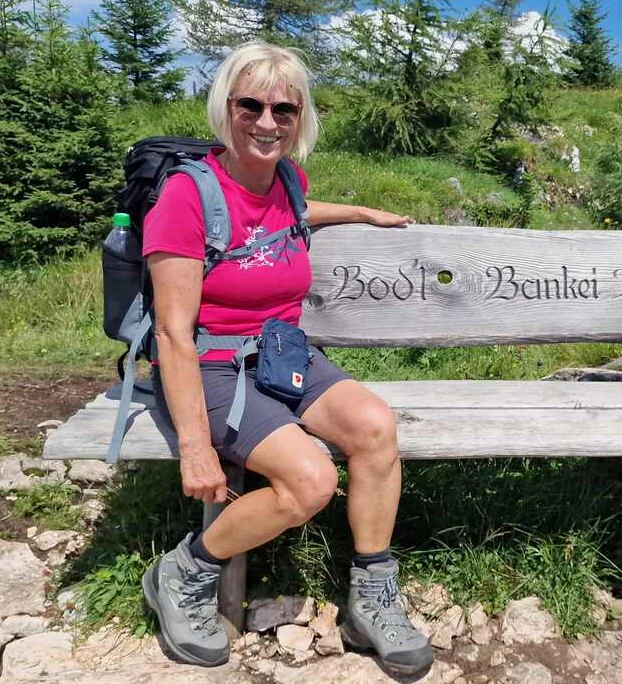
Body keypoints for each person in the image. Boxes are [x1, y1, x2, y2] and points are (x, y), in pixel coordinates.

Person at [140, 41, 433, 676]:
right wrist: (195, 448)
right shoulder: (186, 198)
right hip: (209, 366)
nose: (267, 122)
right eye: (251, 104)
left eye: (284, 108)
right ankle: (184, 571)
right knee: (311, 480)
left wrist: (357, 211)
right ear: (226, 107)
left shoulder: (287, 181)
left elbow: (291, 214)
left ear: (301, 118)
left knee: (376, 427)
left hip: (279, 354)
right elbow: (171, 335)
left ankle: (372, 597)